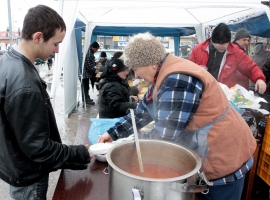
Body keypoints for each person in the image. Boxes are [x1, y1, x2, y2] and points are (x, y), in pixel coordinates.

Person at [98, 32, 256, 200]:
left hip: (223, 157)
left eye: (136, 69)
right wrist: (112, 133)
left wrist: (123, 151)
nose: (136, 76)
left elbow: (165, 135)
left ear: (150, 63)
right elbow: (142, 112)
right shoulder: (161, 74)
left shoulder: (178, 80)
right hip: (202, 154)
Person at [0, 5, 91, 199]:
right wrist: (80, 153)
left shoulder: (6, 60)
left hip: (15, 164)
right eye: (56, 43)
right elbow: (39, 149)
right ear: (38, 37)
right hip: (28, 176)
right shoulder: (24, 82)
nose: (57, 50)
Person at [189, 23, 266, 93]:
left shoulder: (236, 52)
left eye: (226, 43)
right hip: (202, 90)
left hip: (225, 93)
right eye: (219, 44)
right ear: (212, 40)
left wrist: (259, 79)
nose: (223, 46)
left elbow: (250, 67)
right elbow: (188, 69)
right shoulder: (198, 49)